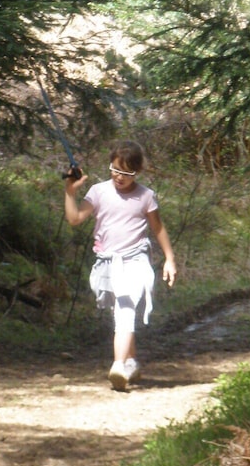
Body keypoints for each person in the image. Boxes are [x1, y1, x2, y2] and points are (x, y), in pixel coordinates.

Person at [63, 140, 176, 391]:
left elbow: (158, 228)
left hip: (136, 260)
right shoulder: (99, 191)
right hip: (107, 263)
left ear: (138, 172)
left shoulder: (146, 196)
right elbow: (74, 219)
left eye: (127, 173)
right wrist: (70, 192)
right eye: (115, 169)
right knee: (121, 309)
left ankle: (118, 366)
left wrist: (169, 258)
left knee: (125, 309)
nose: (119, 177)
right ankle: (132, 361)